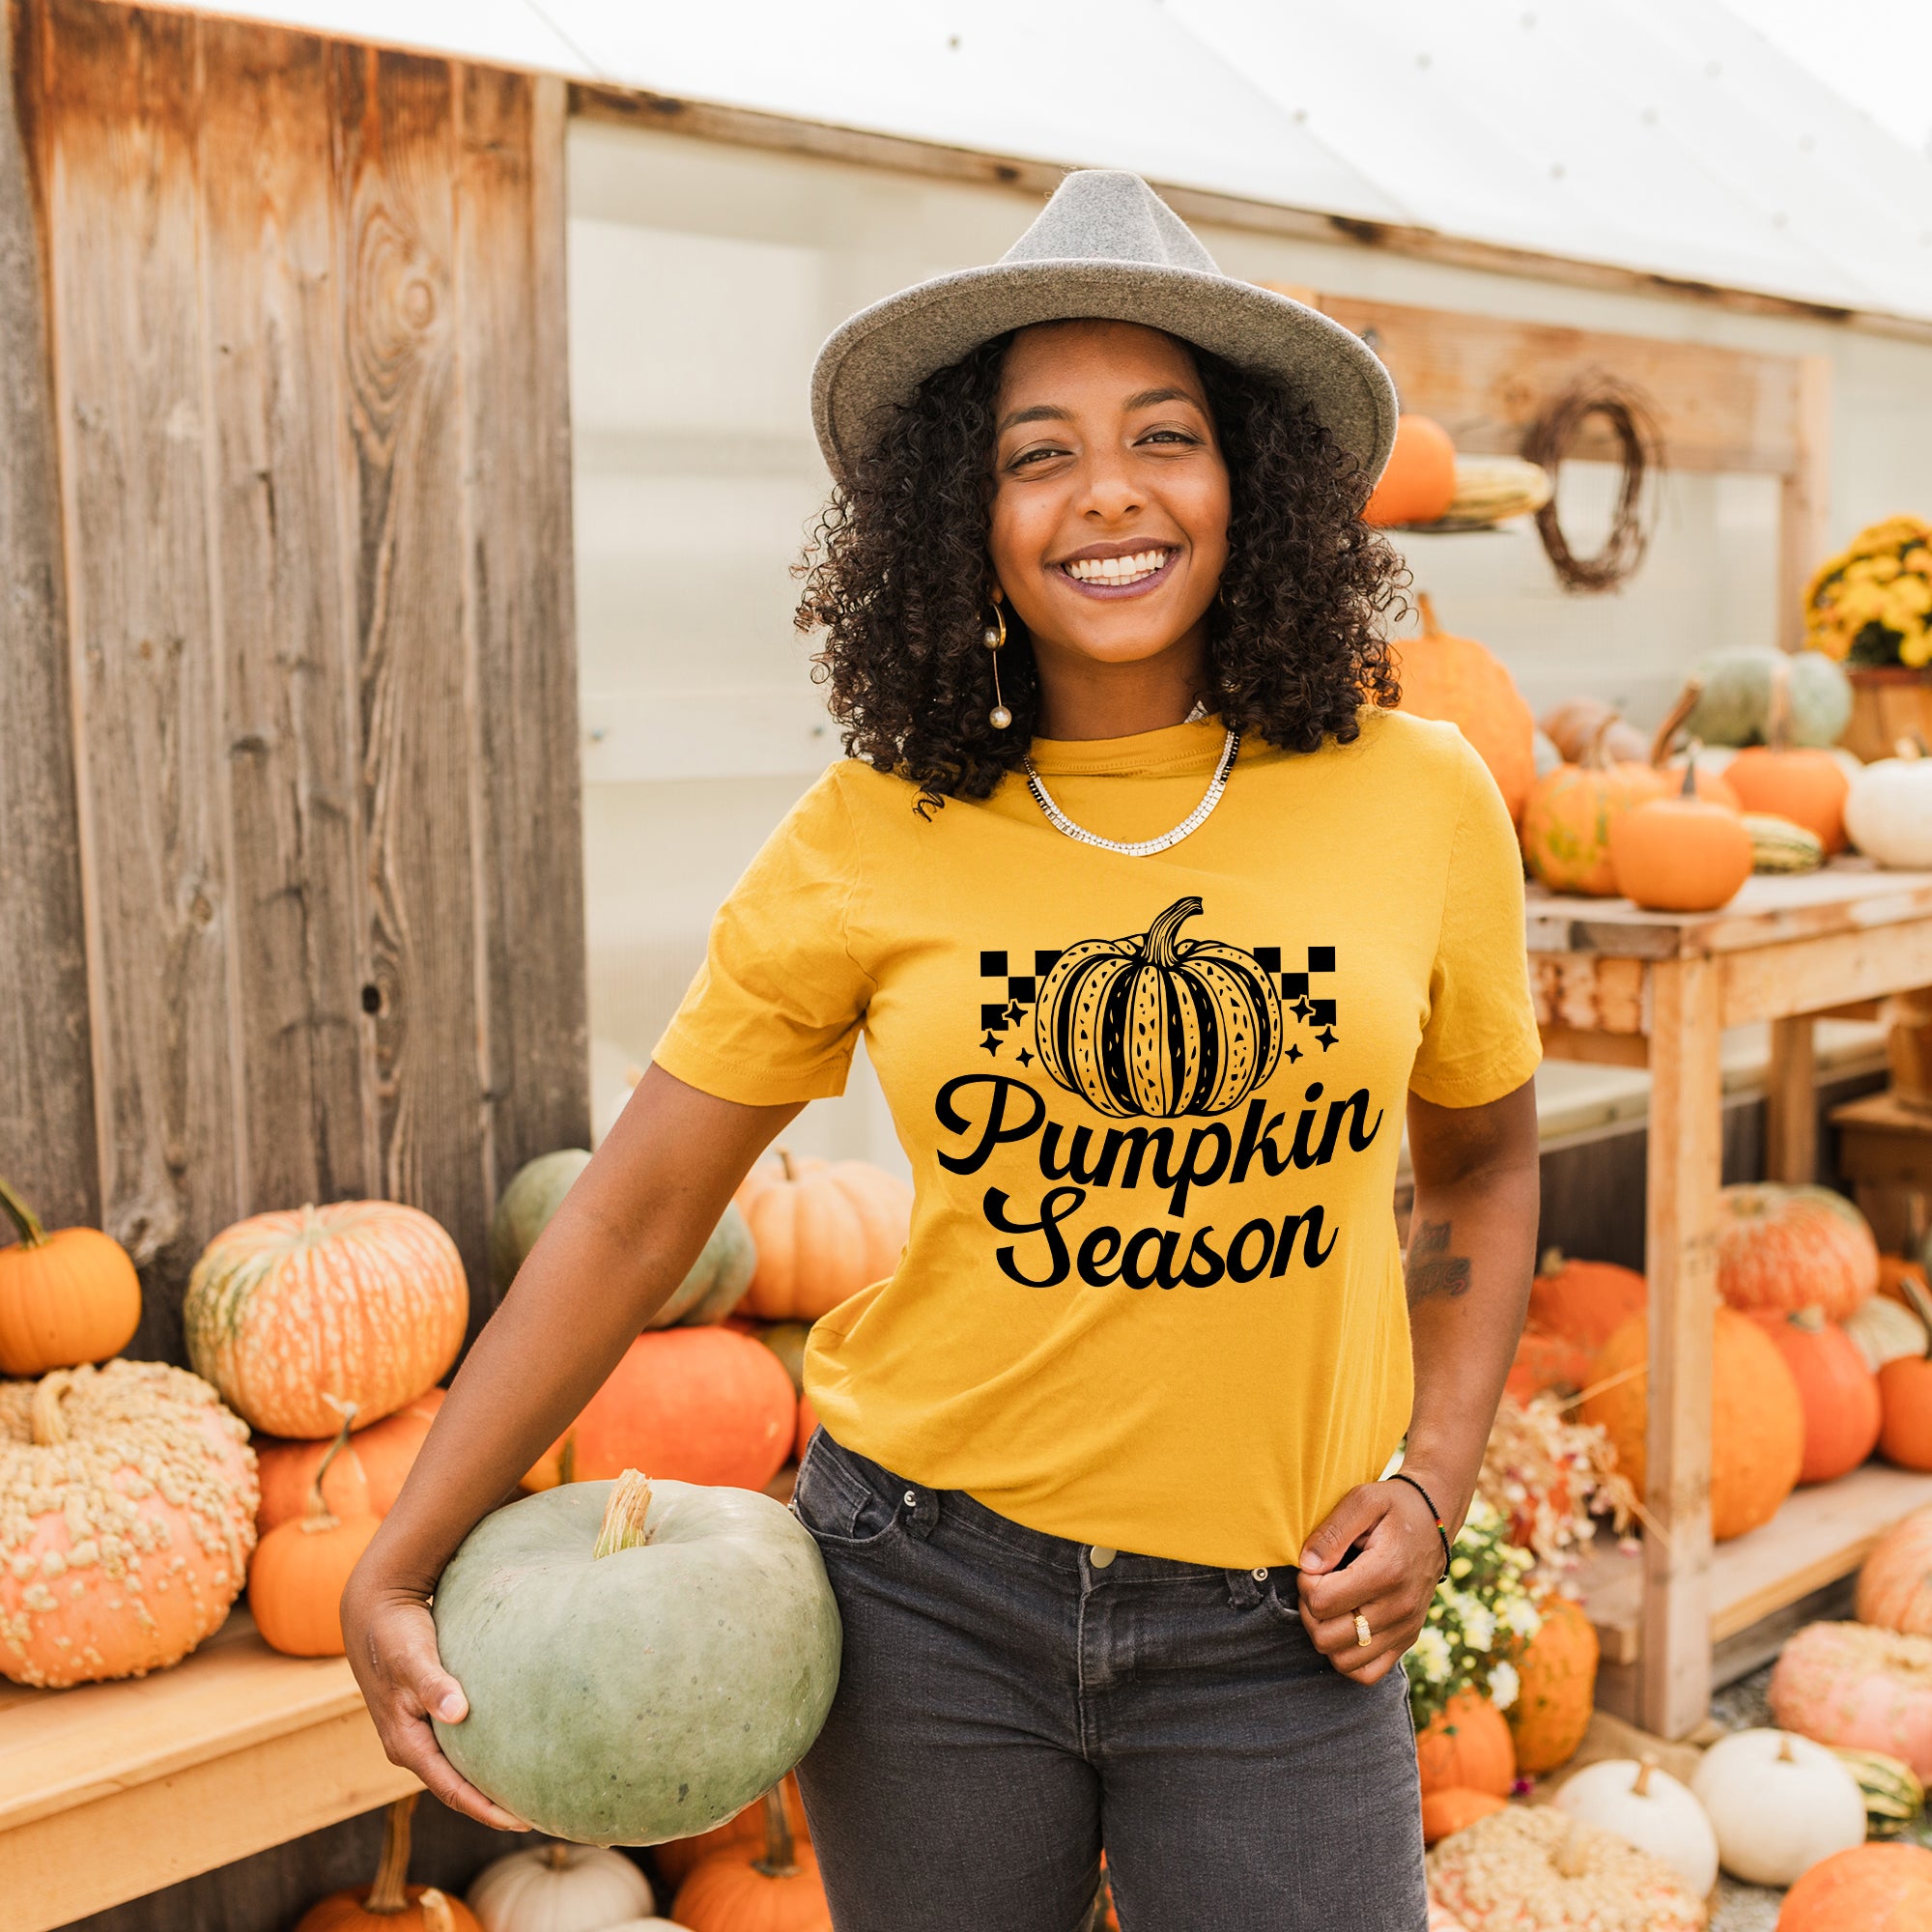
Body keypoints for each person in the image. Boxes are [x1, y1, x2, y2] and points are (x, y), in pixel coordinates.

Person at [344, 170, 1542, 1932]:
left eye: (1166, 435)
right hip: (927, 1599)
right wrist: (400, 1546)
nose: (1107, 493)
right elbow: (630, 1213)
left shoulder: (1415, 793)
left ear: (1256, 481)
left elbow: (1489, 1168)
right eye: (1033, 452)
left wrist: (1435, 1484)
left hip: (1279, 1618)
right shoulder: (874, 829)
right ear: (958, 516)